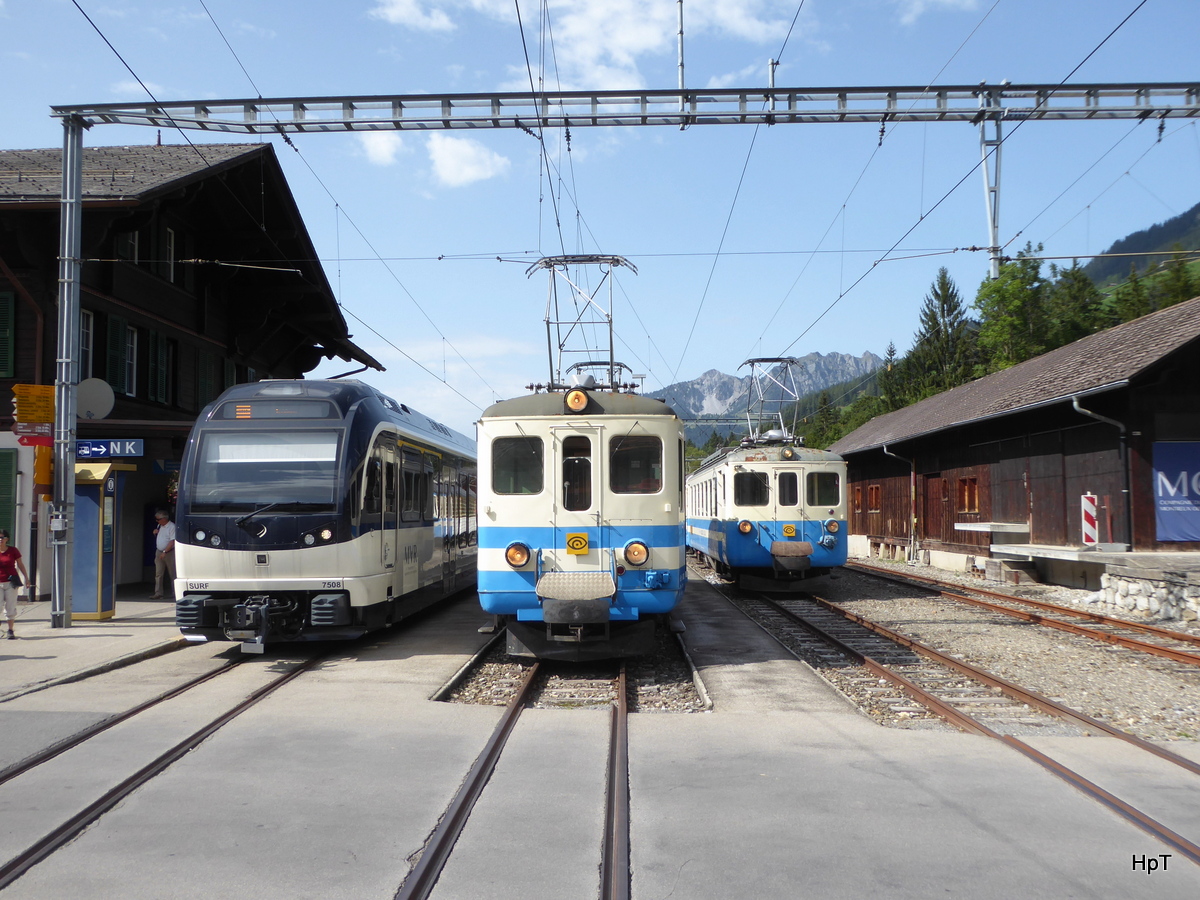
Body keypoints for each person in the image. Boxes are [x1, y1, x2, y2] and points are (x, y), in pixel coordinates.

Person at [0, 530, 31, 640]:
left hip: (10, 582)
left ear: (7, 539)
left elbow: (20, 565)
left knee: (10, 607)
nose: (0, 539)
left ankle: (10, 630)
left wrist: (26, 578)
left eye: (2, 537)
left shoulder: (13, 551)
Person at [150, 509, 177, 600]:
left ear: (164, 518)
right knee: (158, 573)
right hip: (159, 551)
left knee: (172, 573)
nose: (157, 521)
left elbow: (172, 541)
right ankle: (158, 593)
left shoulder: (172, 527)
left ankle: (175, 592)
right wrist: (155, 533)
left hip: (169, 552)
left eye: (158, 519)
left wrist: (165, 551)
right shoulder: (159, 526)